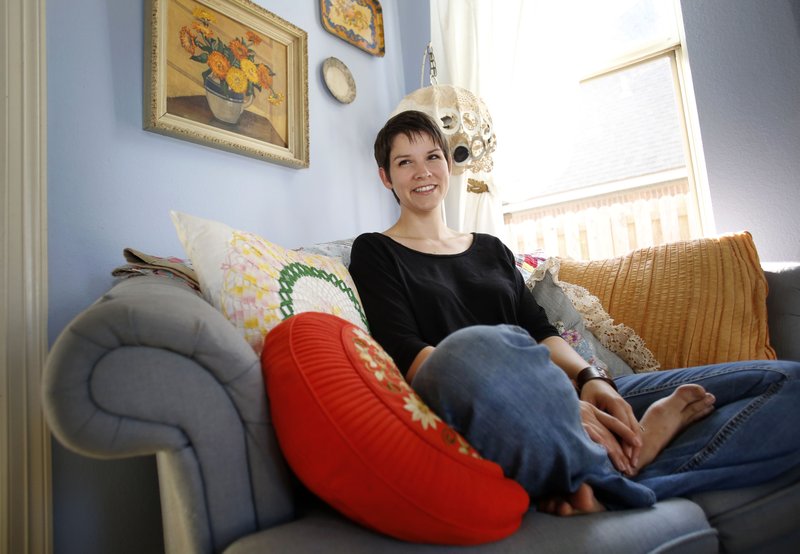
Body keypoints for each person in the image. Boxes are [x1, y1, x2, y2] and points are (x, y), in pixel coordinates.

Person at [348, 109, 800, 515]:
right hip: (493, 409)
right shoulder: (375, 251)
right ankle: (629, 456)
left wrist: (590, 381)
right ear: (386, 177)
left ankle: (611, 472)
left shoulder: (490, 249)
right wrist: (554, 402)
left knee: (786, 383)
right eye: (405, 162)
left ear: (449, 166)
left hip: (563, 392)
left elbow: (542, 332)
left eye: (432, 157)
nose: (422, 172)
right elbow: (409, 354)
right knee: (471, 349)